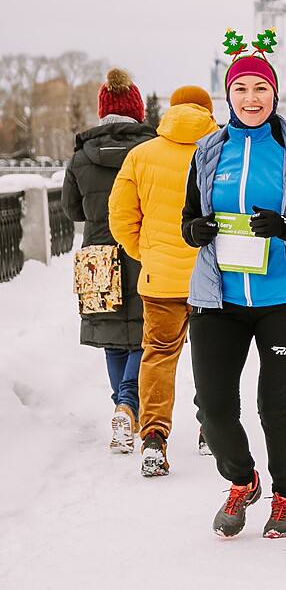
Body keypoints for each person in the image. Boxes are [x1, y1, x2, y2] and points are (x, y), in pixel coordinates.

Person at [181, 30, 286, 539]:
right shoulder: (207, 152)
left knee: (275, 405)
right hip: (219, 298)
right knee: (213, 407)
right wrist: (195, 230)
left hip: (284, 300)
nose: (251, 99)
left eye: (261, 89)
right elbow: (188, 220)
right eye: (241, 89)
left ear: (275, 94)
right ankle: (242, 480)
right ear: (228, 95)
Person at [110, 85, 220, 474]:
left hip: (160, 280)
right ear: (208, 112)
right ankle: (211, 429)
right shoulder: (221, 151)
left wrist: (148, 253)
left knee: (158, 355)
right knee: (215, 355)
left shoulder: (141, 155)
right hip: (214, 277)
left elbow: (121, 217)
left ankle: (154, 438)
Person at [62, 68, 155, 455]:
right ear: (137, 111)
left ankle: (122, 406)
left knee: (111, 337)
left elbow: (72, 210)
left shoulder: (81, 155)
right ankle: (129, 405)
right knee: (144, 333)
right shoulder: (151, 150)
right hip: (142, 248)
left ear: (103, 111)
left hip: (98, 255)